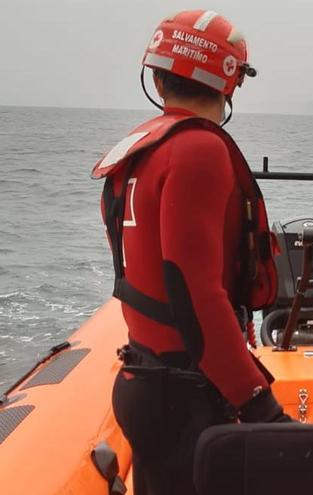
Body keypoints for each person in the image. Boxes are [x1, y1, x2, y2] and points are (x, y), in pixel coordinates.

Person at [91, 10, 291, 494]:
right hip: (187, 396)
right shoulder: (200, 150)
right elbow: (194, 293)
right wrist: (258, 403)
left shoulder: (137, 151)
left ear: (157, 80)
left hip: (143, 382)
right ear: (231, 84)